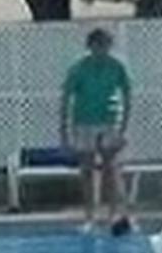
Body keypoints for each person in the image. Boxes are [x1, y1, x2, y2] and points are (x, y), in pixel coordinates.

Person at [57, 26, 134, 233]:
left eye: (105, 45)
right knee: (87, 170)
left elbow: (127, 97)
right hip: (83, 122)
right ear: (90, 46)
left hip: (109, 122)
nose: (101, 49)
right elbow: (66, 100)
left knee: (111, 169)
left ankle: (114, 214)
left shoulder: (117, 67)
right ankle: (90, 216)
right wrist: (64, 131)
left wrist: (123, 129)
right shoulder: (79, 68)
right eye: (97, 45)